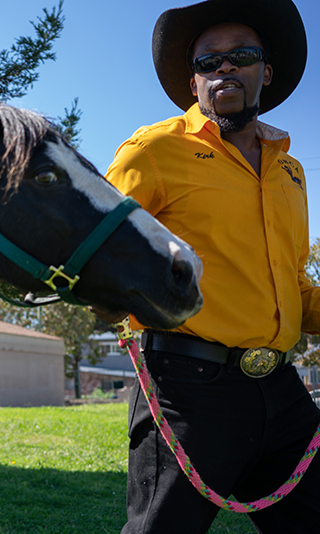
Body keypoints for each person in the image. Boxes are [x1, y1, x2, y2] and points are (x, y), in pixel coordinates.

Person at [104, 1, 320, 532]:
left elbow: (293, 285)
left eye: (240, 56)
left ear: (265, 72)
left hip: (281, 389)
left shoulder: (290, 171)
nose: (224, 68)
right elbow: (102, 258)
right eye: (207, 62)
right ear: (193, 81)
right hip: (185, 389)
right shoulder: (151, 151)